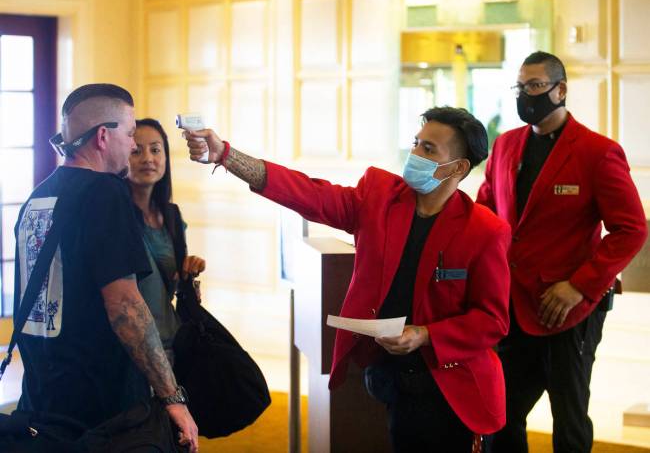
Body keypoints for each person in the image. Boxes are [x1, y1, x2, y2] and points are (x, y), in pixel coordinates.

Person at [183, 107, 511, 452]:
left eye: (429, 149)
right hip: (392, 377)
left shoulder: (485, 231)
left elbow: (493, 321)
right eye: (416, 143)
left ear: (458, 168)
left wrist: (426, 334)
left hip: (452, 386)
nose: (415, 154)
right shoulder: (380, 196)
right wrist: (227, 156)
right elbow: (310, 194)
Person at [477, 51, 648, 453]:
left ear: (561, 90)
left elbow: (631, 229)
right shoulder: (504, 146)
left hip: (569, 309)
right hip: (512, 305)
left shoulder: (597, 151)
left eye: (535, 86)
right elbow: (487, 212)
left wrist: (580, 286)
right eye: (520, 87)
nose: (526, 96)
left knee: (569, 421)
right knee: (500, 416)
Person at [13, 84, 199, 452]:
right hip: (100, 407)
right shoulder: (105, 192)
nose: (133, 146)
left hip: (43, 400)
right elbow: (125, 306)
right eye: (129, 134)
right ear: (102, 136)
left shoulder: (38, 196)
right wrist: (172, 397)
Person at [127, 118, 206, 365]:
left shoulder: (171, 216)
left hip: (171, 343)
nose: (148, 158)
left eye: (155, 149)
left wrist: (189, 269)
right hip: (133, 350)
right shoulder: (116, 217)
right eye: (136, 151)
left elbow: (177, 287)